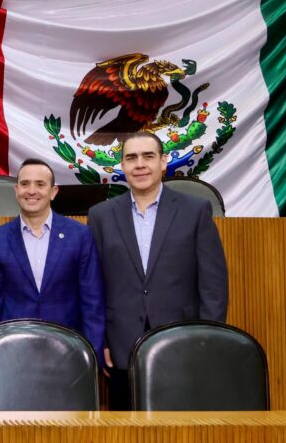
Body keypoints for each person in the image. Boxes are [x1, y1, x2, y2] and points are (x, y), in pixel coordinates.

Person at [87, 131, 228, 410]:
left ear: (163, 162)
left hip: (185, 344)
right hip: (120, 348)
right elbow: (94, 286)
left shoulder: (195, 210)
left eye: (148, 156)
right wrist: (100, 341)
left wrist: (207, 340)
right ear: (122, 166)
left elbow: (213, 286)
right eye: (131, 158)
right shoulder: (100, 216)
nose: (140, 164)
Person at [0, 158, 105, 356]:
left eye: (40, 184)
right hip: (13, 351)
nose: (31, 191)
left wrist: (93, 355)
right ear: (16, 190)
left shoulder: (80, 235)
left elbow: (92, 301)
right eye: (25, 184)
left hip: (68, 349)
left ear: (53, 192)